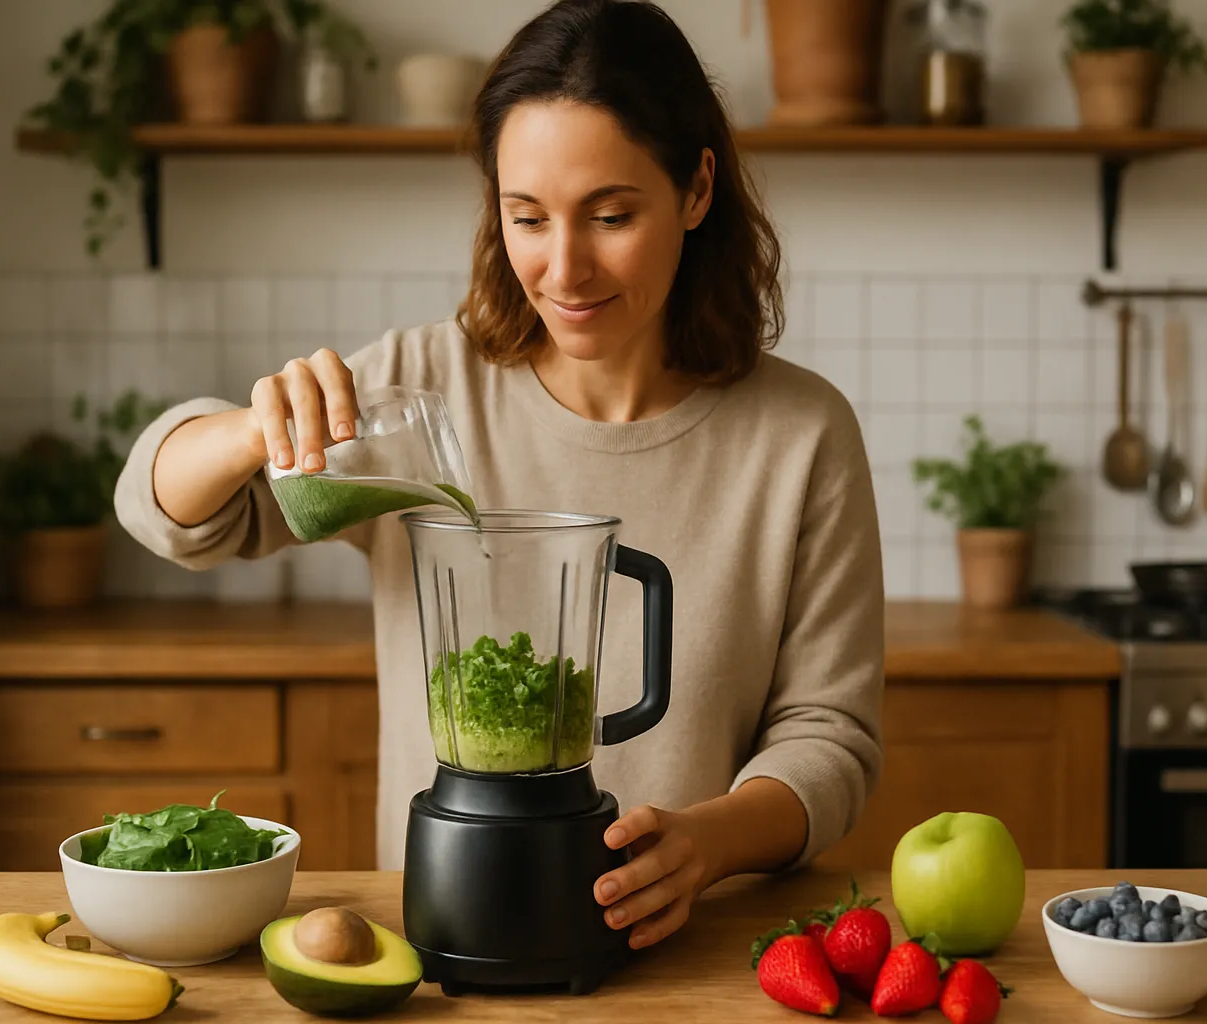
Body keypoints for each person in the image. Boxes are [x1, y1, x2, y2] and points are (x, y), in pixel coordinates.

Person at [116, 0, 884, 952]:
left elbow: (830, 734)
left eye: (611, 215)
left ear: (696, 191)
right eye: (527, 217)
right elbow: (175, 516)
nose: (564, 269)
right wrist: (246, 430)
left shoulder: (801, 434)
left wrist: (707, 843)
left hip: (698, 946)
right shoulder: (423, 395)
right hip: (443, 948)